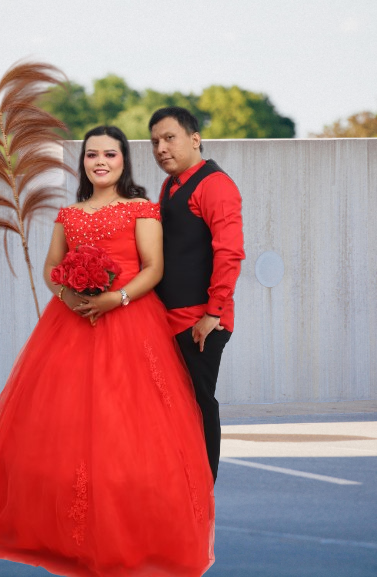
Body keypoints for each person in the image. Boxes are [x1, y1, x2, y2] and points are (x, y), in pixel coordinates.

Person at [0, 126, 215, 577]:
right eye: (92, 154)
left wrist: (116, 298)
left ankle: (130, 535)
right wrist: (68, 295)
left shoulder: (140, 208)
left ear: (123, 160)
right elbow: (52, 268)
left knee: (126, 431)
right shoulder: (68, 214)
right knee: (65, 430)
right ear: (83, 162)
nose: (100, 162)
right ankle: (67, 536)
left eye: (110, 154)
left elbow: (153, 268)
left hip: (130, 323)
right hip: (71, 324)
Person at [149, 107, 245, 483]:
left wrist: (213, 313)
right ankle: (181, 487)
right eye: (155, 142)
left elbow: (229, 251)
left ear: (194, 139)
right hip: (168, 318)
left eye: (169, 138)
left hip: (200, 321)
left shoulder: (215, 184)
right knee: (171, 408)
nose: (161, 148)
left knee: (199, 404)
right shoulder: (170, 187)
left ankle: (203, 490)